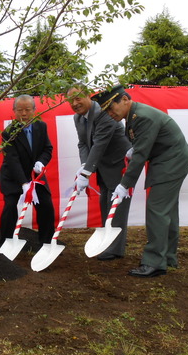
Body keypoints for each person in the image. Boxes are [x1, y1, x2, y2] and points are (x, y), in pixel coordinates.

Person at [95, 84, 188, 277]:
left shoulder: (141, 116)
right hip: (169, 160)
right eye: (105, 110)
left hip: (170, 162)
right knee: (167, 211)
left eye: (111, 107)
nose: (109, 113)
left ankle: (154, 262)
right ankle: (168, 258)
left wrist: (124, 184)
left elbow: (141, 155)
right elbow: (141, 146)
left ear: (125, 100)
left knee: (157, 210)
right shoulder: (133, 116)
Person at [67, 86, 132, 261]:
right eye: (71, 100)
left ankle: (115, 249)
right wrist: (83, 165)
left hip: (119, 164)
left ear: (88, 96)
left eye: (78, 98)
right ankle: (107, 242)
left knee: (117, 206)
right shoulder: (78, 118)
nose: (75, 103)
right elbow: (83, 144)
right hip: (102, 165)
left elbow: (99, 144)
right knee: (105, 202)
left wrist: (86, 173)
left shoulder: (103, 112)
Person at [0, 94, 55, 246]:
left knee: (46, 205)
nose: (23, 114)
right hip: (13, 176)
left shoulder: (41, 126)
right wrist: (23, 183)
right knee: (10, 206)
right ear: (14, 111)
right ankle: (6, 242)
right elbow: (12, 159)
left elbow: (47, 148)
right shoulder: (8, 132)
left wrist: (41, 162)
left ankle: (46, 242)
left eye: (27, 110)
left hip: (35, 176)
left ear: (34, 110)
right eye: (20, 110)